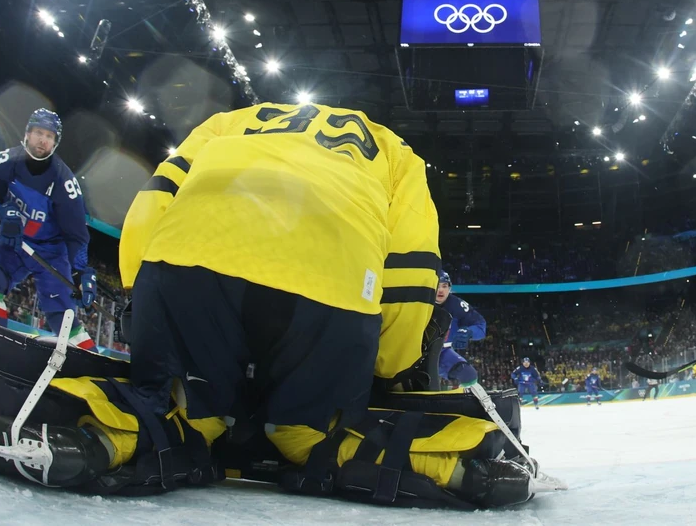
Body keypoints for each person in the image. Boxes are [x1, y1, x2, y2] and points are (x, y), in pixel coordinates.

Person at [48, 102, 534, 507]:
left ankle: (95, 441)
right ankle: (463, 465)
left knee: (190, 411)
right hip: (328, 280)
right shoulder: (394, 150)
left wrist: (143, 292)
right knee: (305, 434)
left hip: (190, 256)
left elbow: (153, 198)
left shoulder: (231, 120)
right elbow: (411, 269)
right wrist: (393, 365)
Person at [0, 108, 97, 349]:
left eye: (49, 136)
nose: (43, 140)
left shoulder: (65, 182)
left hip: (51, 253)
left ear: (55, 144)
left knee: (62, 316)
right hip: (14, 242)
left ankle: (97, 364)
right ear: (27, 134)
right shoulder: (5, 161)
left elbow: (76, 235)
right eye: (38, 132)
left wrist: (80, 272)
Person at [435, 271, 487, 387]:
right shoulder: (417, 303)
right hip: (414, 351)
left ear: (450, 287)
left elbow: (480, 325)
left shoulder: (457, 305)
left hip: (441, 351)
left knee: (468, 375)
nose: (441, 290)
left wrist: (469, 332)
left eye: (444, 286)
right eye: (437, 285)